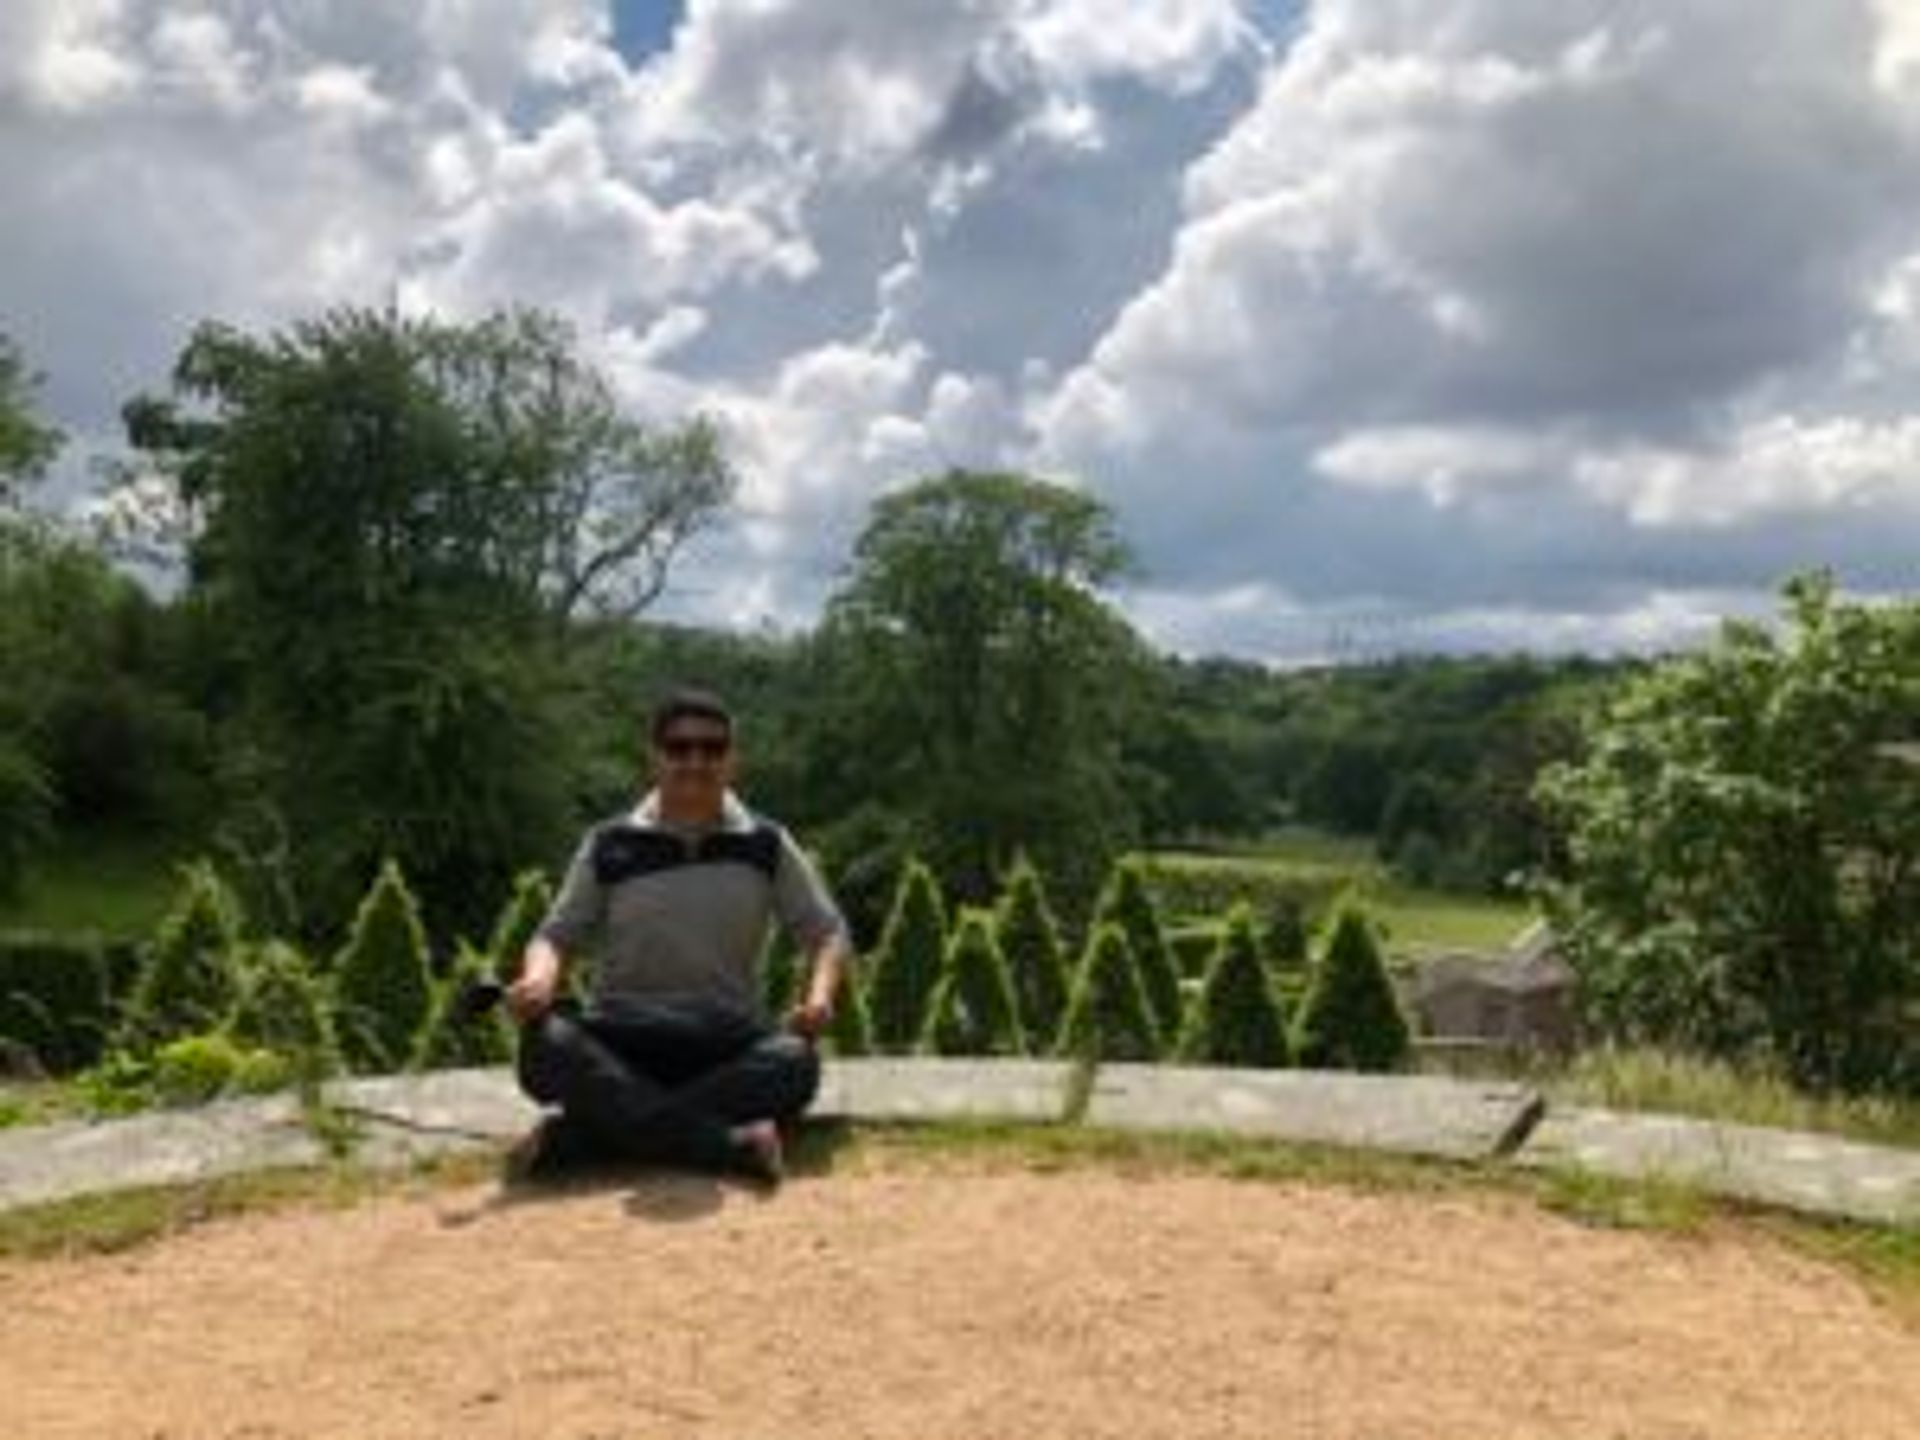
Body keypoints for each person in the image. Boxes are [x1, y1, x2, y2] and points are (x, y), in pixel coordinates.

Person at [505, 687, 851, 1185]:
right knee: (545, 1045)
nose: (695, 760)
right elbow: (556, 935)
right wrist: (538, 981)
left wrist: (819, 999)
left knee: (795, 1062)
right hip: (622, 1036)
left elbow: (826, 932)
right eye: (679, 748)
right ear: (655, 757)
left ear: (732, 760)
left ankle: (582, 1139)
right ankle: (729, 1145)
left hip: (725, 1038)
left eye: (712, 749)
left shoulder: (767, 841)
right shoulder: (609, 841)